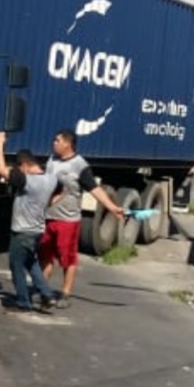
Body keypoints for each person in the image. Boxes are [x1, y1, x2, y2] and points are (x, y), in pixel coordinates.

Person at [40, 128, 125, 308]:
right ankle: (42, 290)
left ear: (67, 144)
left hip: (68, 221)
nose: (54, 143)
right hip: (48, 217)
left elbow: (94, 189)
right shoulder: (51, 160)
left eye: (57, 140)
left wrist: (112, 208)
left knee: (67, 258)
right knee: (45, 256)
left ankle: (65, 293)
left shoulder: (80, 165)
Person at [0, 131, 57, 313]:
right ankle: (47, 295)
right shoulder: (50, 179)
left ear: (26, 165)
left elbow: (0, 168)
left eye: (19, 168)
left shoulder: (27, 181)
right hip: (37, 230)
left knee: (16, 267)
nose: (18, 172)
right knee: (31, 263)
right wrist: (48, 203)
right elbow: (64, 189)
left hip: (22, 232)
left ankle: (23, 303)